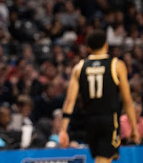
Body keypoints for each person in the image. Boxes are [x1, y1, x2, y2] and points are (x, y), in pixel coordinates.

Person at [59, 30, 141, 163]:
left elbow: (69, 101)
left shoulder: (79, 67)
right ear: (106, 45)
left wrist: (63, 129)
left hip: (90, 120)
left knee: (107, 157)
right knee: (103, 159)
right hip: (109, 118)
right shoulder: (116, 65)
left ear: (89, 48)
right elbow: (127, 100)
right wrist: (133, 126)